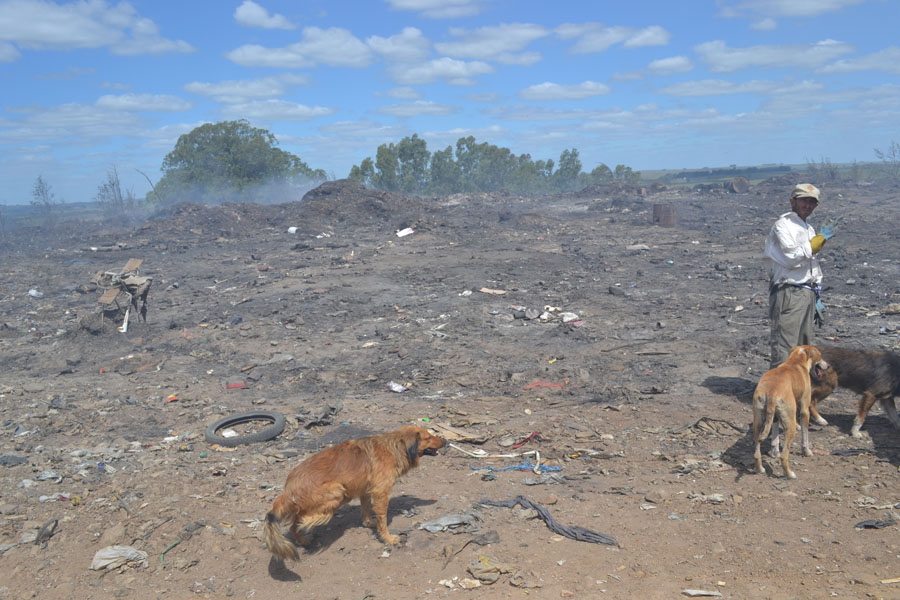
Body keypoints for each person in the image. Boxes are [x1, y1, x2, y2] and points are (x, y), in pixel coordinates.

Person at [763, 183, 835, 368]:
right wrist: (820, 240)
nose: (807, 205)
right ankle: (777, 392)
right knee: (786, 347)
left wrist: (817, 293)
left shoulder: (808, 228)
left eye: (812, 202)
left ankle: (797, 391)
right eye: (804, 200)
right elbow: (792, 259)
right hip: (789, 292)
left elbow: (812, 265)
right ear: (792, 201)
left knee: (804, 348)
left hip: (806, 292)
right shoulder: (783, 226)